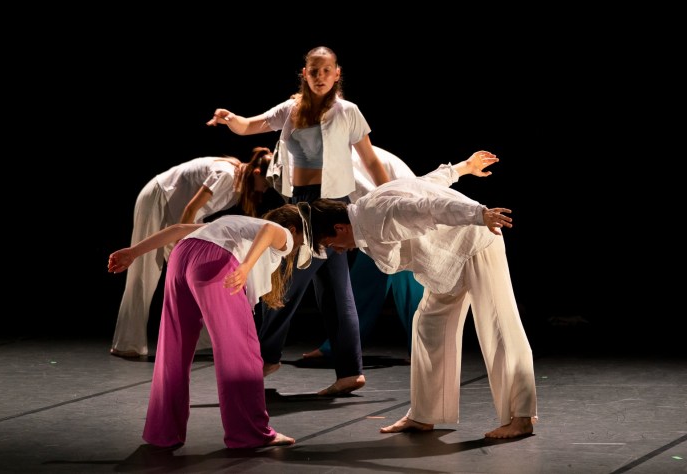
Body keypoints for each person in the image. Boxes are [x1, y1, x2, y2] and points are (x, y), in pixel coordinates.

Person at [305, 150, 538, 439]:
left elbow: (429, 206)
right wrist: (464, 167)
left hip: (475, 242)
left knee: (499, 326)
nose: (337, 250)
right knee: (428, 327)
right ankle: (424, 415)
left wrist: (479, 214)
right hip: (449, 257)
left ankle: (521, 417)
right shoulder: (367, 209)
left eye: (331, 243)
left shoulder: (375, 214)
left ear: (339, 227)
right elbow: (423, 183)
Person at [207, 46, 390, 395]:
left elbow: (370, 161)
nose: (320, 76)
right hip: (300, 202)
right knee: (336, 290)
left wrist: (389, 197)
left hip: (329, 206)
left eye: (326, 70)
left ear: (337, 74)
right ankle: (350, 371)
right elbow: (250, 126)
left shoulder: (348, 112)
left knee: (285, 281)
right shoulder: (291, 109)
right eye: (314, 71)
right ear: (304, 74)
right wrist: (230, 118)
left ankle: (265, 357)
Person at [107, 204, 309, 449]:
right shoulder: (282, 232)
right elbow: (269, 229)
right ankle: (250, 433)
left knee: (173, 349)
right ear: (293, 229)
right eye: (301, 240)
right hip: (215, 261)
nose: (296, 246)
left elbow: (178, 229)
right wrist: (245, 267)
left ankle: (163, 432)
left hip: (181, 257)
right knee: (240, 352)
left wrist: (133, 252)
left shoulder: (235, 224)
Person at [111, 147, 283, 358]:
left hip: (178, 213)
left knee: (195, 276)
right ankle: (127, 343)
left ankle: (202, 339)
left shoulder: (238, 182)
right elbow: (191, 208)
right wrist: (182, 246)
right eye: (266, 183)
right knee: (145, 270)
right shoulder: (228, 175)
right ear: (256, 173)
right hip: (159, 198)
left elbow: (194, 213)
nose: (265, 189)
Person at [303, 146, 424, 360]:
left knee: (408, 286)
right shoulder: (330, 158)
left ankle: (422, 350)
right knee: (364, 282)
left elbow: (382, 196)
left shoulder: (341, 158)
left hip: (398, 217)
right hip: (378, 218)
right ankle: (339, 346)